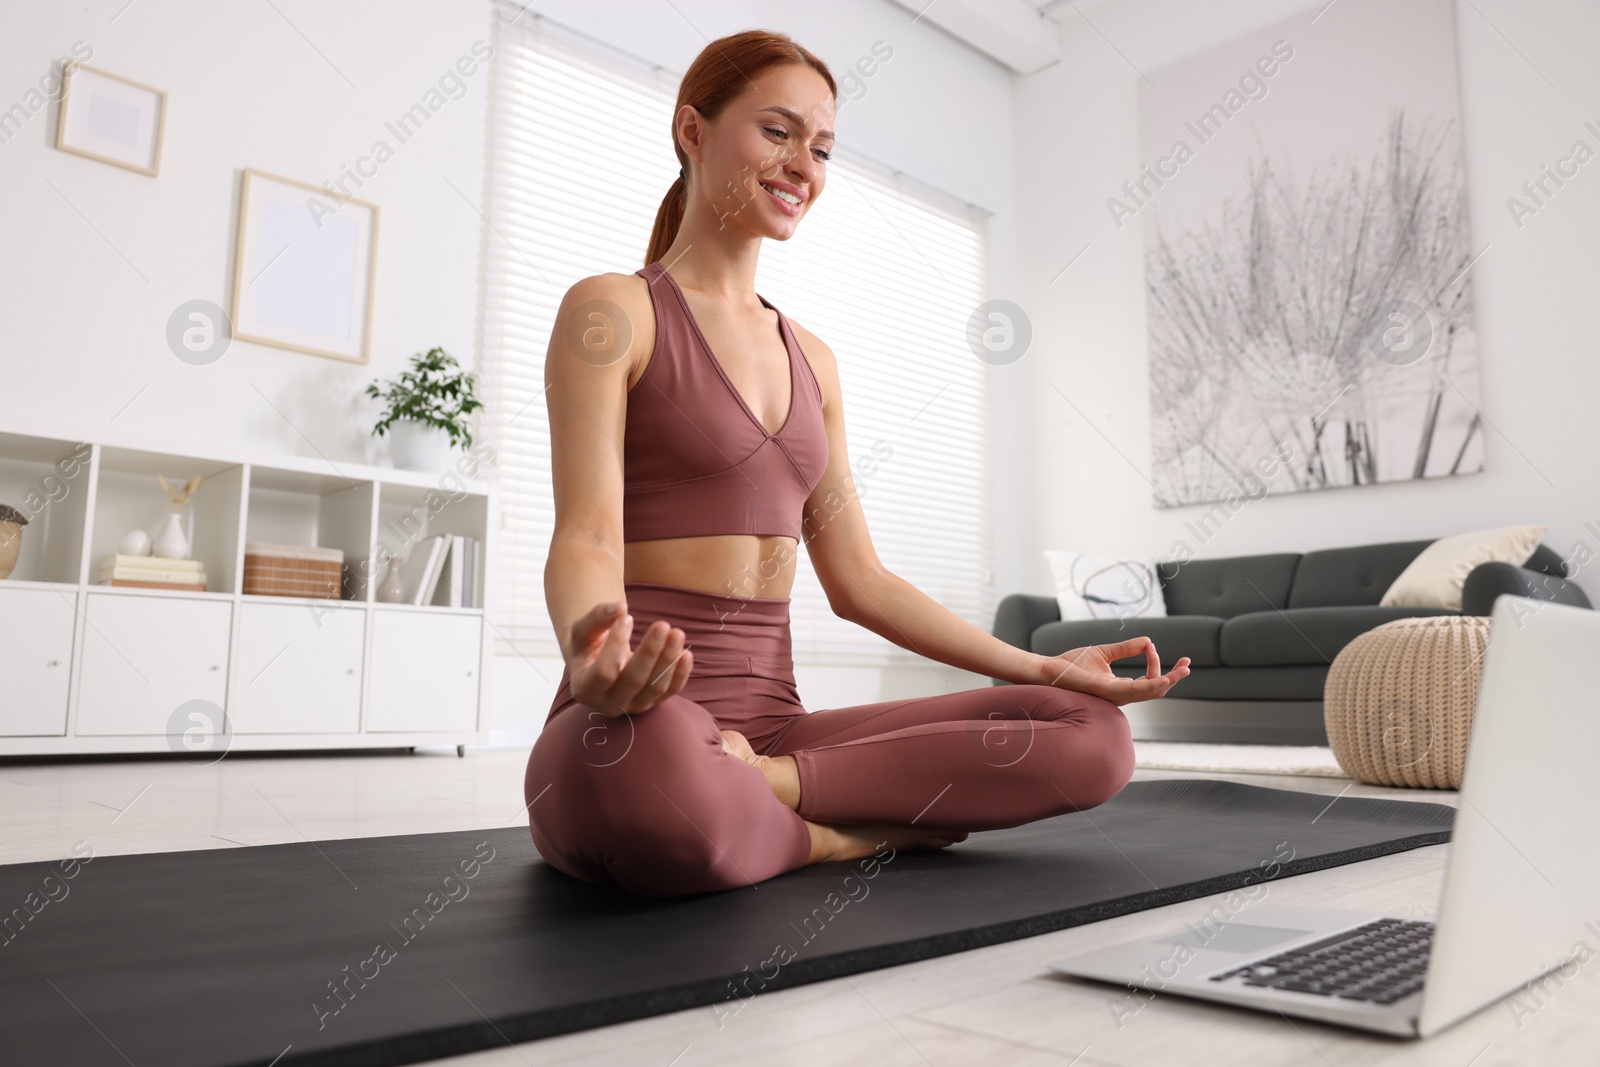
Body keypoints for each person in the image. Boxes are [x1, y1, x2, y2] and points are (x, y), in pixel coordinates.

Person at [525, 29, 1190, 899]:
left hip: (775, 737)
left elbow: (861, 580)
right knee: (651, 782)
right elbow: (583, 534)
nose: (805, 163)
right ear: (692, 129)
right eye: (777, 131)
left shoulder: (815, 359)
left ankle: (774, 800)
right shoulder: (612, 310)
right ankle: (845, 837)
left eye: (823, 147)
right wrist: (595, 655)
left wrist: (1041, 667)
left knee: (1091, 735)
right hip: (633, 723)